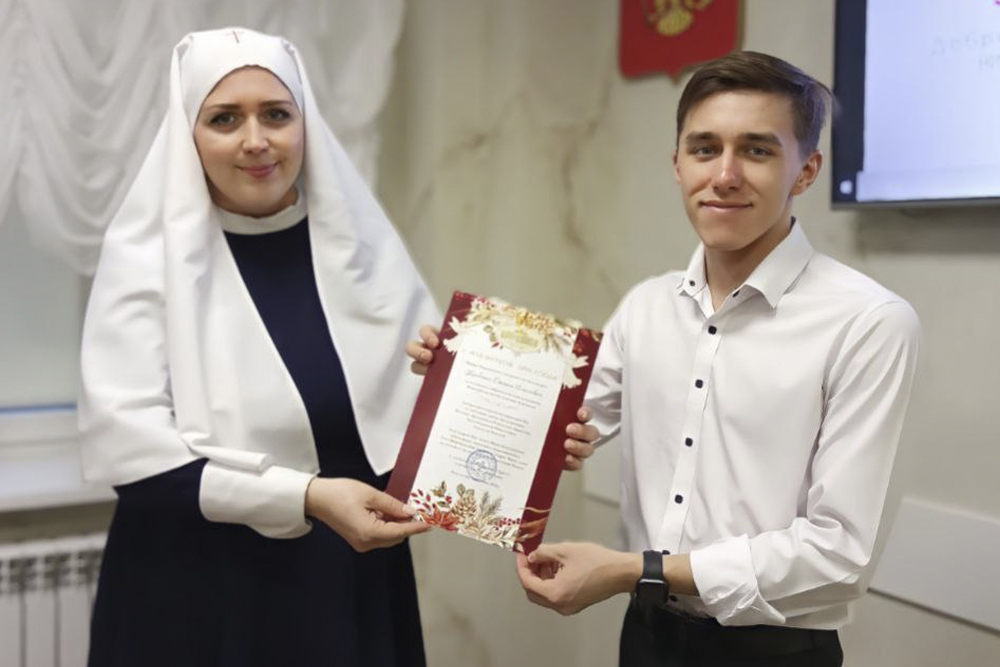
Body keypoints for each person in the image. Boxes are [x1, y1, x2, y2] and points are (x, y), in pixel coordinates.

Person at [412, 52, 920, 666]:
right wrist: (457, 375)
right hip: (647, 638)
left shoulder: (868, 322)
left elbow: (840, 556)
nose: (724, 175)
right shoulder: (646, 307)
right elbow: (559, 422)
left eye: (756, 150)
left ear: (806, 171)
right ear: (677, 164)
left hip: (775, 653)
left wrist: (639, 570)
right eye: (705, 149)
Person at [79, 28, 440, 667]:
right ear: (188, 134)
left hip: (345, 577)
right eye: (224, 119)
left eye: (276, 114)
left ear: (305, 124)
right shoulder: (145, 260)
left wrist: (535, 435)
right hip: (194, 588)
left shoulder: (362, 251)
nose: (256, 140)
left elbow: (417, 431)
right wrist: (308, 497)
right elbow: (134, 458)